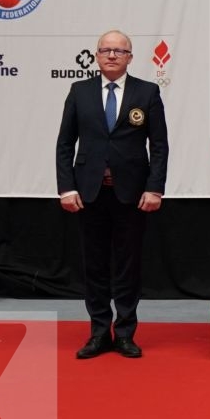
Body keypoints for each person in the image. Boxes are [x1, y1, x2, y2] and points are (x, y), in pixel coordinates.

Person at [55, 33, 167, 357]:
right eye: (106, 50)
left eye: (120, 50)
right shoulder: (80, 92)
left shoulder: (147, 92)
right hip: (89, 193)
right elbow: (65, 144)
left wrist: (154, 187)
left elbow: (158, 146)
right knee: (94, 265)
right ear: (97, 56)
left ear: (130, 57)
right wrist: (67, 187)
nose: (113, 55)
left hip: (132, 194)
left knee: (128, 266)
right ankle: (99, 332)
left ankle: (126, 333)